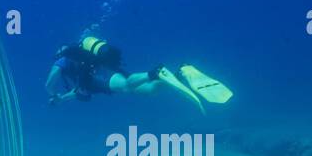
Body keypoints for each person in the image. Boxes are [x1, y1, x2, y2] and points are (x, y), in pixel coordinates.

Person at [46, 35, 232, 112]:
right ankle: (181, 72)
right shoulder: (79, 67)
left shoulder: (62, 62)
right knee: (150, 91)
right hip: (103, 72)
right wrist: (60, 99)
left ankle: (155, 73)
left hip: (101, 75)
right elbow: (79, 91)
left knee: (127, 85)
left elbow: (48, 84)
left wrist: (51, 93)